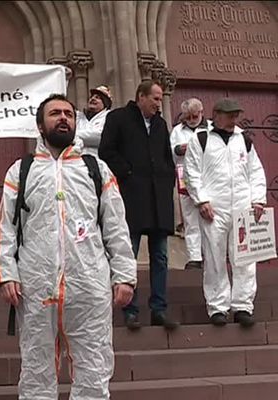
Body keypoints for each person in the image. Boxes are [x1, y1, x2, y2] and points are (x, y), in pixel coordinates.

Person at [0, 93, 136, 400]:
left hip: (89, 283)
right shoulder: (22, 170)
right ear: (40, 126)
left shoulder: (95, 169)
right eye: (55, 113)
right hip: (36, 284)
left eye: (68, 114)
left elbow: (116, 226)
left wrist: (124, 275)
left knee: (94, 368)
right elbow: (6, 226)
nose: (63, 118)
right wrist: (6, 273)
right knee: (35, 369)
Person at [99, 80, 179, 331]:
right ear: (141, 97)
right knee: (128, 254)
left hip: (158, 200)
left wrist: (167, 180)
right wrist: (128, 173)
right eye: (155, 98)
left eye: (159, 99)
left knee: (160, 256)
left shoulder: (160, 124)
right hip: (131, 197)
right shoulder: (119, 118)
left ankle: (159, 309)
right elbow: (106, 151)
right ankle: (129, 310)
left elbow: (167, 156)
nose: (159, 103)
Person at [184, 98, 266, 328]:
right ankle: (218, 306)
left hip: (242, 206)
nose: (233, 120)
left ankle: (243, 305)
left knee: (244, 258)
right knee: (214, 257)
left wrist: (258, 199)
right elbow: (191, 173)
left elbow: (256, 172)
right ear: (216, 114)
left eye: (235, 116)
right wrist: (201, 200)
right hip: (214, 208)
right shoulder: (200, 139)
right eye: (229, 115)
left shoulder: (244, 140)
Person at [170, 98, 208, 270]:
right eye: (188, 117)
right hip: (185, 177)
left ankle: (210, 255)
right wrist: (179, 149)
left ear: (201, 112)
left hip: (207, 177)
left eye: (195, 116)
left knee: (209, 218)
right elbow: (171, 151)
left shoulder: (211, 128)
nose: (192, 120)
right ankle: (195, 257)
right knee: (190, 218)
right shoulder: (177, 130)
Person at [75, 85, 113, 156]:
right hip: (76, 161)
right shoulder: (78, 117)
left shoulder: (110, 117)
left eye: (97, 98)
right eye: (91, 97)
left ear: (105, 103)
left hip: (98, 162)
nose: (92, 99)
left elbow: (100, 136)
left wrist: (72, 135)